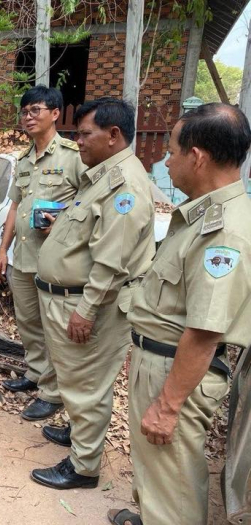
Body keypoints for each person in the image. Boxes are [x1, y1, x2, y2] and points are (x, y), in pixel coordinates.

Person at [109, 103, 251, 525]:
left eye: (171, 152)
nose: (164, 161)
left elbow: (205, 332)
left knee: (174, 485)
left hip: (177, 369)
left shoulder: (224, 232)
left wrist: (168, 405)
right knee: (158, 473)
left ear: (198, 157)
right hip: (161, 360)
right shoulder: (200, 214)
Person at [30, 98, 155, 489]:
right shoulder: (101, 176)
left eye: (85, 134)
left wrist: (86, 310)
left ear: (113, 135)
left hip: (87, 303)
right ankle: (79, 433)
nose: (78, 142)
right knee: (77, 379)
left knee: (87, 385)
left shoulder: (123, 186)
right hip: (68, 298)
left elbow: (112, 261)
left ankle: (83, 467)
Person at [0, 85, 86, 421]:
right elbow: (14, 206)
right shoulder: (23, 159)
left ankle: (52, 393)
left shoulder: (73, 157)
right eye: (24, 112)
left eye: (36, 110)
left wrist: (63, 223)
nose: (28, 117)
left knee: (53, 330)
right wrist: (3, 250)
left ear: (55, 113)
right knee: (29, 322)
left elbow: (88, 204)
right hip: (24, 257)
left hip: (56, 262)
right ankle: (35, 374)